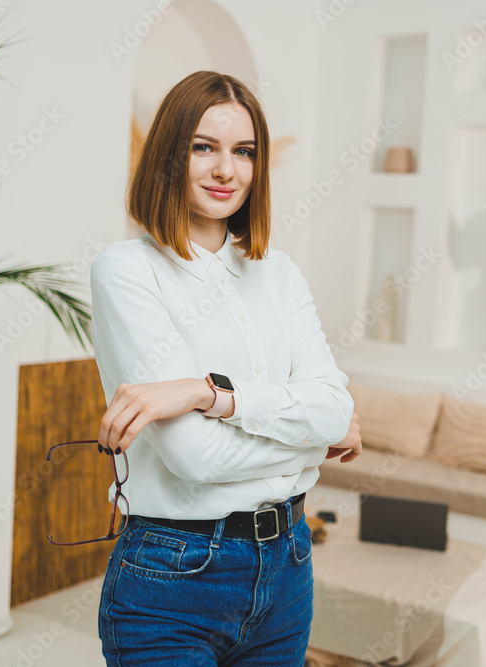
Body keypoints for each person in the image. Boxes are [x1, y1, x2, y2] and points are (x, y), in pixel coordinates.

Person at [90, 70, 361, 666]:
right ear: (169, 153)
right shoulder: (127, 271)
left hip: (288, 568)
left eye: (244, 152)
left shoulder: (279, 272)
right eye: (203, 148)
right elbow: (196, 460)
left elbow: (334, 406)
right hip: (173, 574)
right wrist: (315, 442)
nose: (226, 170)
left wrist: (208, 395)